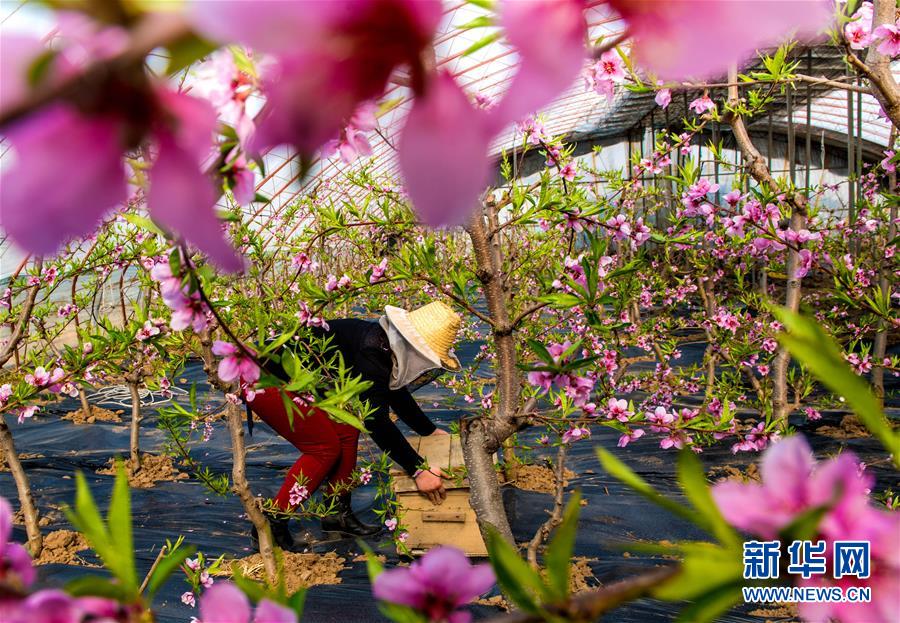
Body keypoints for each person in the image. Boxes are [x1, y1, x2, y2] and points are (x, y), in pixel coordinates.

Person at [248, 300, 461, 551]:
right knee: (323, 448)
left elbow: (394, 393)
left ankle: (337, 514)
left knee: (346, 429)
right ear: (413, 348)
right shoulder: (371, 354)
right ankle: (273, 522)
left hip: (295, 379)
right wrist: (418, 470)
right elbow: (377, 421)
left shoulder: (382, 345)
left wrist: (429, 430)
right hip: (260, 377)